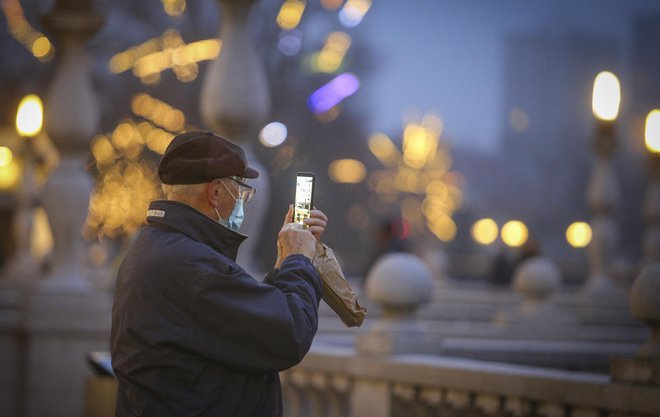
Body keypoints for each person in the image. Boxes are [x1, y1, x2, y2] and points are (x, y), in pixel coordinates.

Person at [110, 131, 328, 417]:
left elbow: (242, 324)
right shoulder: (192, 265)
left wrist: (283, 262)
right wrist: (299, 259)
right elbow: (289, 333)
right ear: (215, 192)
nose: (241, 201)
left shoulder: (156, 246)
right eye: (240, 190)